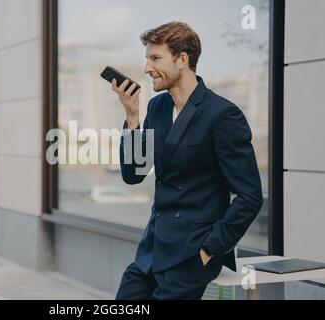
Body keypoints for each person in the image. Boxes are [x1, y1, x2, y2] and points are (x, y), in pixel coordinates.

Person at [112, 21, 263, 300]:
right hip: (152, 250)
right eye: (146, 59)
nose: (147, 68)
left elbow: (250, 196)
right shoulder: (157, 107)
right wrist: (132, 117)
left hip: (191, 255)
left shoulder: (222, 115)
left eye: (155, 58)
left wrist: (209, 249)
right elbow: (135, 174)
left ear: (182, 59)